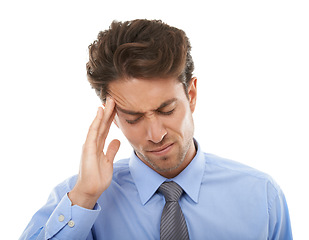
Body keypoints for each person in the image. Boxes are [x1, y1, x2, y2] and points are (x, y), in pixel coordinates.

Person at [20, 19, 293, 240]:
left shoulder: (261, 195)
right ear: (112, 117)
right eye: (133, 118)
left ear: (192, 95)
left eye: (166, 110)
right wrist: (84, 197)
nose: (155, 134)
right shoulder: (75, 199)